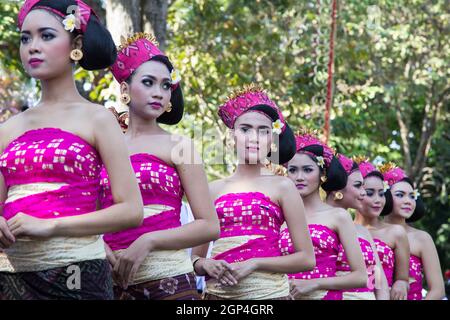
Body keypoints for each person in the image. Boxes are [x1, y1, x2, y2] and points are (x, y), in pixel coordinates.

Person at [0, 0, 143, 300]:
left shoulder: (98, 119)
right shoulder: (7, 129)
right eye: (26, 38)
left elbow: (131, 210)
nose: (32, 47)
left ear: (75, 44)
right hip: (9, 279)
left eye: (46, 36)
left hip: (78, 276)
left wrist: (50, 225)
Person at [102, 32, 220, 300]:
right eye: (148, 82)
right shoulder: (104, 146)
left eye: (166, 85)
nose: (159, 92)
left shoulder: (180, 147)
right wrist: (99, 244)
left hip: (169, 283)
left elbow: (209, 225)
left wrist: (149, 240)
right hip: (106, 282)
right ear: (124, 90)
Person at [192, 84, 315, 300]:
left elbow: (306, 259)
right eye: (245, 129)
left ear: (272, 141)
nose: (254, 137)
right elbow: (195, 258)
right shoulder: (212, 190)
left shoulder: (283, 187)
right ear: (232, 136)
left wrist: (255, 263)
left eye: (263, 131)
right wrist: (206, 264)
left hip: (270, 297)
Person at [282, 130, 367, 300]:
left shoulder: (338, 216)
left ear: (322, 175)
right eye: (293, 170)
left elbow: (360, 277)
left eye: (307, 170)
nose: (299, 177)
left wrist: (315, 283)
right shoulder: (280, 218)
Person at [381, 163, 445, 300]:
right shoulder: (367, 233)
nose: (408, 201)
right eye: (400, 195)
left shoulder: (422, 238)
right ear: (384, 196)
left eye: (412, 196)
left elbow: (438, 290)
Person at [333, 155, 389, 300]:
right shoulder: (315, 227)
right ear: (337, 186)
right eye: (358, 186)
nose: (363, 193)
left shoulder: (363, 232)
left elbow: (377, 281)